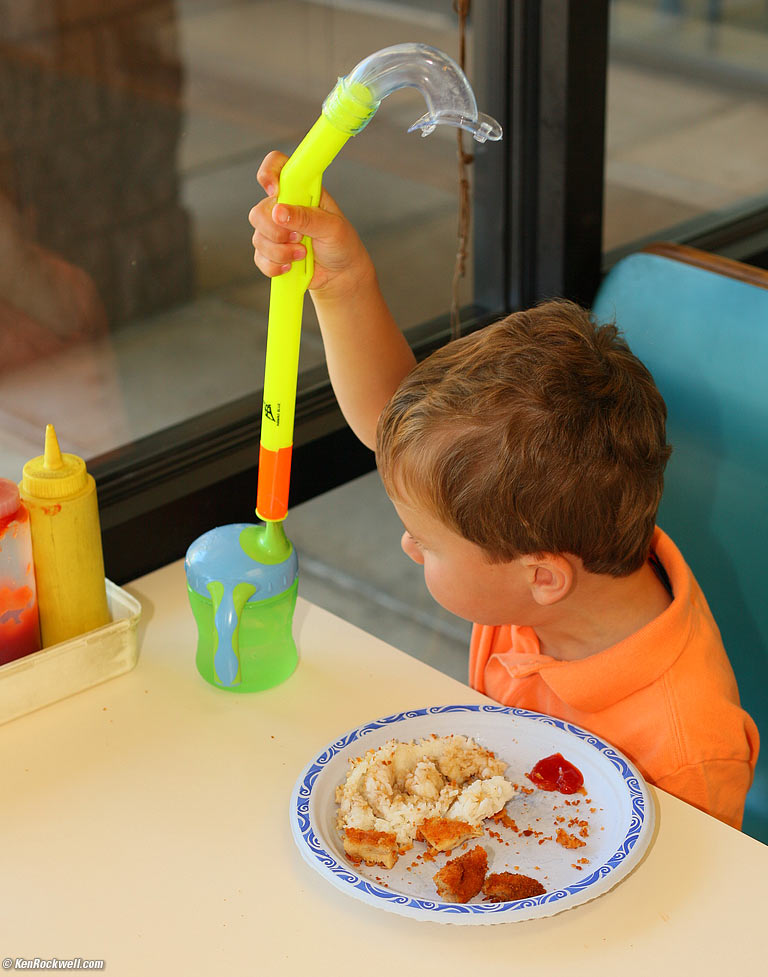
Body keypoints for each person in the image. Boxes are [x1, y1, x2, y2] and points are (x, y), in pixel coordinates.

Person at [249, 151, 759, 830]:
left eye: (428, 543)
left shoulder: (689, 749)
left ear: (541, 577)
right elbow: (401, 437)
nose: (407, 544)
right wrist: (340, 282)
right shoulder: (534, 566)